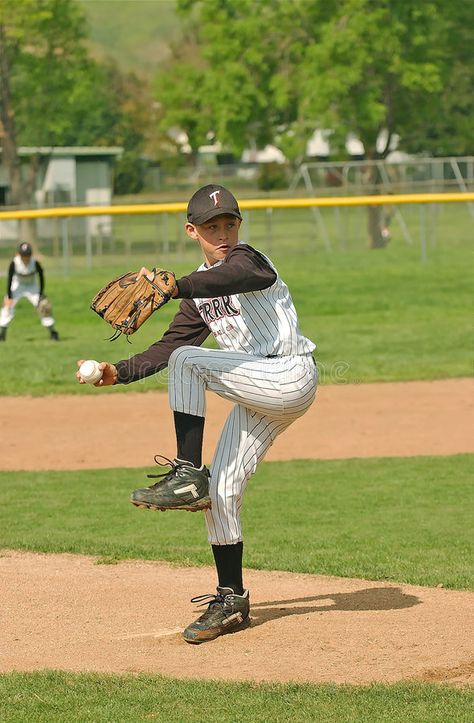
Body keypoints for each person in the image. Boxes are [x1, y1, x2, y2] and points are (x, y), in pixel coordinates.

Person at [76, 184, 317, 644]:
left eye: (230, 223)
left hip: (289, 375)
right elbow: (169, 345)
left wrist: (175, 286)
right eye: (211, 227)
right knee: (222, 490)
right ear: (192, 231)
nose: (223, 233)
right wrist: (116, 371)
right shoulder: (196, 290)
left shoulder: (251, 262)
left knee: (190, 361)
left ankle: (186, 472)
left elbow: (232, 278)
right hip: (256, 393)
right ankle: (231, 599)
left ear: (240, 226)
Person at [0, 242, 59, 341]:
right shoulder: (14, 263)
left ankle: (53, 332)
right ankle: (2, 333)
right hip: (17, 286)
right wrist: (9, 297)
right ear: (18, 254)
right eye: (23, 255)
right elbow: (10, 279)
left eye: (27, 255)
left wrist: (40, 294)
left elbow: (41, 277)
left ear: (31, 254)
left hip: (32, 286)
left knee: (43, 307)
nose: (25, 257)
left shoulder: (35, 263)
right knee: (7, 307)